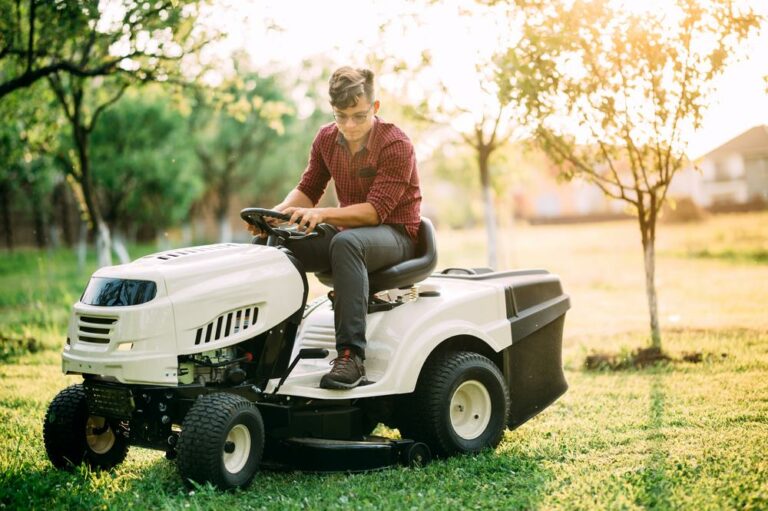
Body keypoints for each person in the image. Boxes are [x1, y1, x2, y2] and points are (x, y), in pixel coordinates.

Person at [246, 66, 422, 390]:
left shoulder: (396, 144)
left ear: (375, 107)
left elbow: (374, 212)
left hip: (396, 234)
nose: (350, 126)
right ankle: (258, 350)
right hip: (349, 232)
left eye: (359, 115)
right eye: (342, 116)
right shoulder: (326, 138)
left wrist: (325, 215)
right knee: (273, 246)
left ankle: (351, 356)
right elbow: (308, 190)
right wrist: (276, 216)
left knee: (347, 244)